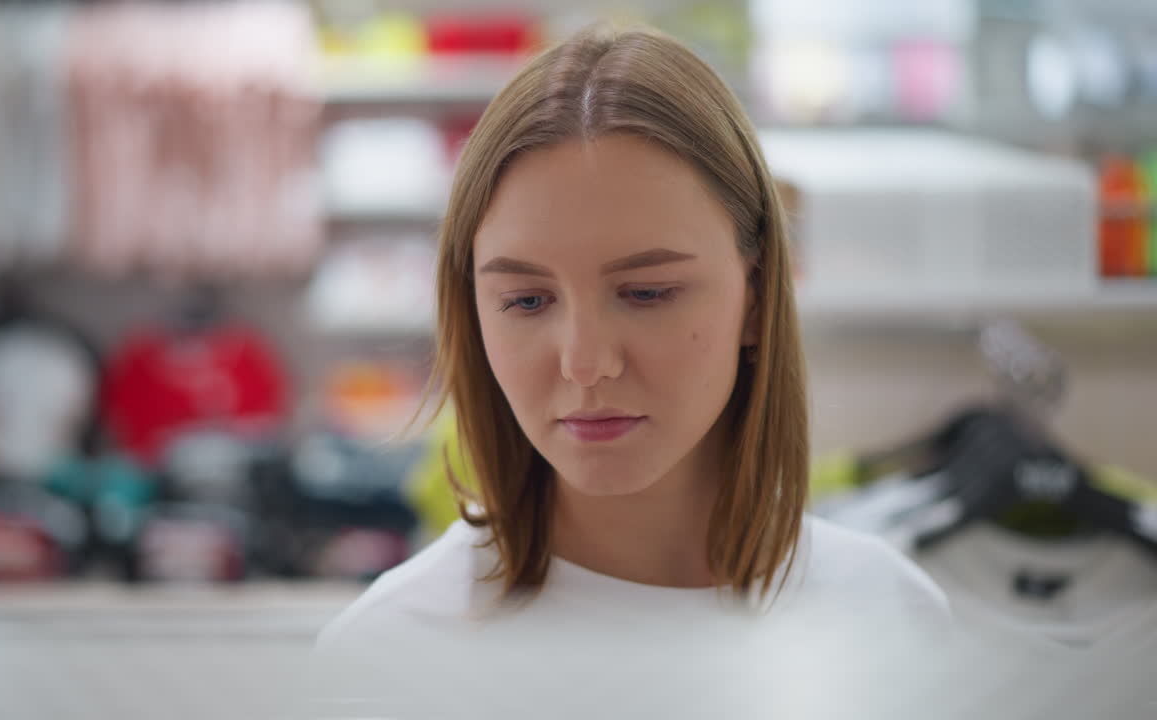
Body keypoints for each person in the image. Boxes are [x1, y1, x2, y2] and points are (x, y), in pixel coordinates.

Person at [308, 23, 952, 719]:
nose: (585, 364)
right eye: (525, 300)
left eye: (647, 293)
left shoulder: (890, 619)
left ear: (759, 296)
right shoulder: (387, 659)